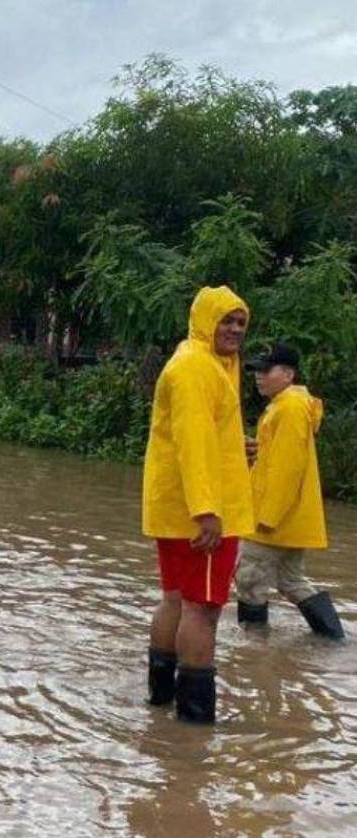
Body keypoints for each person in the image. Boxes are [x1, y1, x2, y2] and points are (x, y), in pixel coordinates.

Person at [142, 285, 255, 724]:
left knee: (174, 600)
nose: (234, 329)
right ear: (204, 320)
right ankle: (194, 726)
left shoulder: (207, 363)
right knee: (202, 610)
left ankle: (160, 701)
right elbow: (191, 442)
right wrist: (206, 510)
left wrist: (235, 446)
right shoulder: (195, 367)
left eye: (241, 322)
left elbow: (205, 434)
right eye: (226, 320)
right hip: (201, 512)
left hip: (178, 507)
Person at [235, 343, 345, 639]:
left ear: (288, 374)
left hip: (273, 517)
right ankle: (333, 641)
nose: (259, 376)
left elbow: (288, 469)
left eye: (266, 370)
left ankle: (251, 651)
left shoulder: (290, 407)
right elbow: (282, 456)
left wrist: (267, 517)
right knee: (290, 580)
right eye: (257, 370)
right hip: (290, 515)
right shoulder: (285, 406)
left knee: (248, 579)